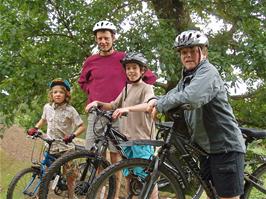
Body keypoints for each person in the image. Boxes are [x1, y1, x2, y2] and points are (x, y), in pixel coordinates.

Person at [147, 30, 246, 199]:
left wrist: (161, 104)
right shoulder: (188, 77)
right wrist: (154, 100)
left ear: (204, 52)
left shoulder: (208, 73)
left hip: (224, 146)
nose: (188, 55)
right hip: (207, 148)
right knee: (213, 194)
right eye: (184, 52)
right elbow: (172, 94)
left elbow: (191, 97)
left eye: (193, 50)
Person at [78, 20, 156, 163]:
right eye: (100, 38)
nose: (103, 41)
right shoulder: (90, 61)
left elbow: (149, 78)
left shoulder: (124, 59)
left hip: (120, 113)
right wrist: (94, 94)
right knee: (93, 153)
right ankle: (99, 185)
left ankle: (116, 184)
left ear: (113, 38)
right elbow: (82, 82)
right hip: (98, 112)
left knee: (117, 153)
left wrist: (135, 98)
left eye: (106, 38)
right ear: (96, 39)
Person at [85, 52, 158, 198]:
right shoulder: (126, 88)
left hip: (142, 140)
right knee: (130, 177)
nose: (131, 71)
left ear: (142, 70)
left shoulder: (146, 87)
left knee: (146, 178)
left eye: (134, 68)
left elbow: (149, 104)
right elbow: (113, 105)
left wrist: (128, 108)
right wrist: (97, 103)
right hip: (126, 141)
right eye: (128, 68)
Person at [27, 78, 85, 199]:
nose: (58, 94)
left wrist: (72, 135)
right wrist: (35, 128)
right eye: (55, 92)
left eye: (61, 92)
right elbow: (43, 120)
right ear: (51, 94)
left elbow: (81, 126)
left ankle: (71, 195)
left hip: (66, 148)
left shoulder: (70, 110)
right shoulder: (47, 107)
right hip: (51, 147)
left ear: (66, 94)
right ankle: (41, 195)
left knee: (70, 175)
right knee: (45, 173)